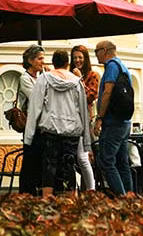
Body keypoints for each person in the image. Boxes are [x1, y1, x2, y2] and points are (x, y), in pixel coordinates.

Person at [24, 49, 93, 197]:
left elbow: (35, 108)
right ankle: (70, 202)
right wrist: (87, 141)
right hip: (72, 131)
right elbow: (83, 110)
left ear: (53, 63)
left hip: (50, 130)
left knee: (49, 167)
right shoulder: (77, 82)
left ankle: (47, 200)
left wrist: (28, 136)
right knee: (69, 166)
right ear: (68, 63)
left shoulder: (44, 79)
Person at [93, 40, 134, 196]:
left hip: (113, 122)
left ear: (104, 50)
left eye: (96, 51)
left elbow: (107, 92)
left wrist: (100, 117)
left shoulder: (111, 66)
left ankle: (121, 198)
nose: (96, 55)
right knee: (123, 163)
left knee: (106, 161)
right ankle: (130, 197)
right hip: (125, 122)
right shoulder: (122, 66)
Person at [18, 44, 45, 195]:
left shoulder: (41, 76)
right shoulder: (25, 78)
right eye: (40, 59)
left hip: (41, 124)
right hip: (31, 124)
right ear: (30, 60)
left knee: (39, 159)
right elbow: (36, 98)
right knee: (30, 158)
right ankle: (26, 193)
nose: (43, 62)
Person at [70, 44, 100, 122]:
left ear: (85, 59)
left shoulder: (93, 75)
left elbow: (90, 97)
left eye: (80, 57)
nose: (77, 60)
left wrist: (80, 79)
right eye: (75, 58)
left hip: (85, 117)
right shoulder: (69, 75)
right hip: (71, 117)